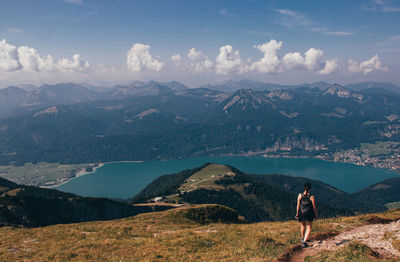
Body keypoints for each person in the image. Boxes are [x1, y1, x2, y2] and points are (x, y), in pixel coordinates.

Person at [295, 182, 318, 248]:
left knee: (303, 225)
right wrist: (316, 215)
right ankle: (304, 242)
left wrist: (297, 213)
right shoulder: (311, 197)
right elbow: (314, 207)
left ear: (304, 188)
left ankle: (303, 238)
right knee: (309, 227)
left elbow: (298, 205)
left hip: (301, 213)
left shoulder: (299, 195)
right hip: (309, 214)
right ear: (310, 189)